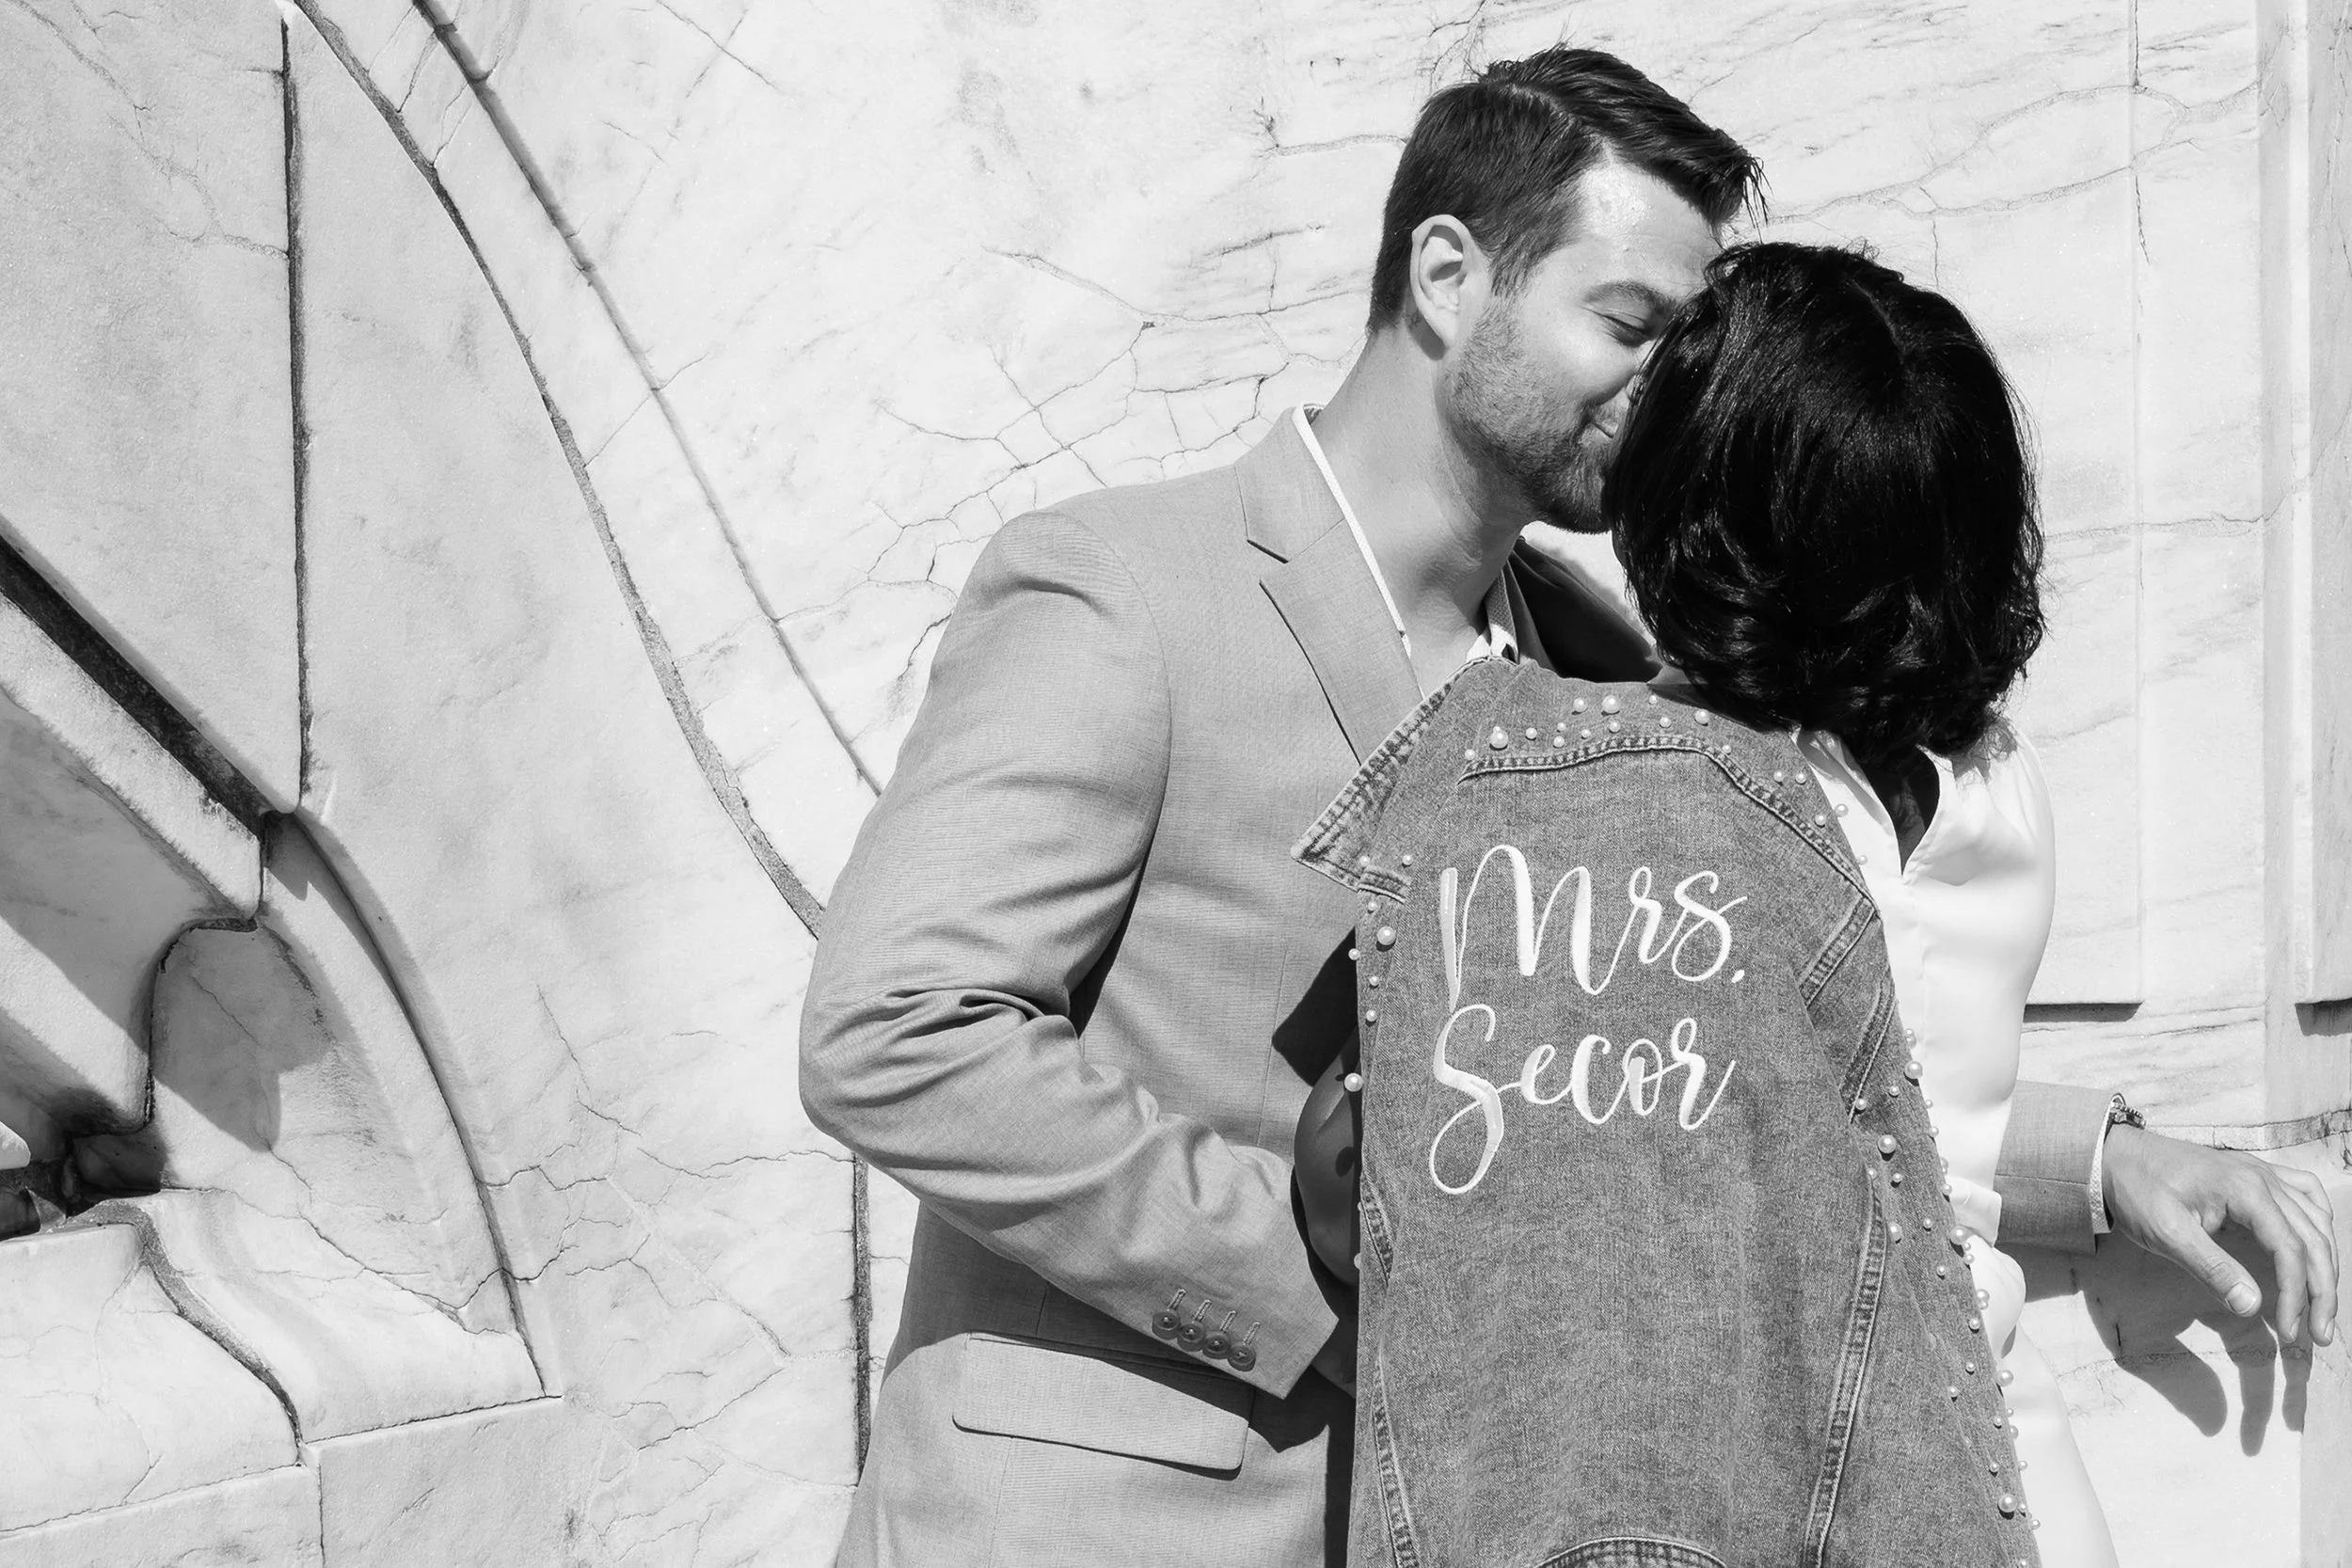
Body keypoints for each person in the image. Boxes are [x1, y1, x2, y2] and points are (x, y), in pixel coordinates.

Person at [800, 48, 2337, 1568]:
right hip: (1096, 1524)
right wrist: (1319, 1263)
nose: (1670, 386)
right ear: (1450, 275)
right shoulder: (1125, 590)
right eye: (1630, 323)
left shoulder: (1609, 657)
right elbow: (898, 1028)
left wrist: (2097, 1162)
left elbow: (1701, 1042)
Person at [1296, 241, 2330, 1567]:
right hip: (1996, 1470)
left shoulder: (1655, 798)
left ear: (1701, 506)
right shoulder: (2002, 796)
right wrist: (2102, 1155)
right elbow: (1882, 1106)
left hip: (1769, 1485)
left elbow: (1394, 1179)